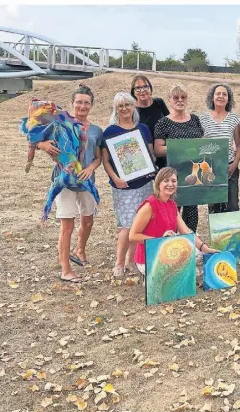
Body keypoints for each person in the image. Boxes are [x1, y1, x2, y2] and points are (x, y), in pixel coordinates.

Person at [37, 84, 103, 282]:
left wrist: (91, 168)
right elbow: (34, 138)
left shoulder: (96, 130)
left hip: (86, 181)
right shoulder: (60, 123)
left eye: (86, 103)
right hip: (64, 181)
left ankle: (80, 250)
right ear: (73, 103)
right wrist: (43, 145)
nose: (82, 106)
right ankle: (65, 269)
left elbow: (98, 157)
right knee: (67, 225)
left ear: (91, 105)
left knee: (88, 220)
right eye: (79, 102)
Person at [101, 92, 154, 278]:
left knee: (138, 224)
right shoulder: (110, 131)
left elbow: (150, 154)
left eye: (127, 105)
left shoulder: (143, 129)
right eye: (120, 106)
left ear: (133, 107)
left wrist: (150, 167)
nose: (124, 109)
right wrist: (115, 178)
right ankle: (119, 263)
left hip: (145, 183)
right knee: (125, 225)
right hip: (123, 186)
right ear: (116, 109)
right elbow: (105, 160)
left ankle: (131, 261)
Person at [129, 167, 218, 276]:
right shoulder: (149, 205)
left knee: (200, 256)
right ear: (158, 183)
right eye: (166, 181)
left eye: (173, 181)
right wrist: (161, 240)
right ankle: (151, 276)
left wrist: (204, 247)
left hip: (167, 251)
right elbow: (133, 236)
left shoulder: (172, 205)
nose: (170, 184)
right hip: (148, 257)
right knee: (191, 272)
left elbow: (185, 231)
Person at [153, 84, 204, 233]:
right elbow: (158, 149)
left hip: (193, 174)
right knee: (171, 212)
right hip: (172, 175)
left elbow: (200, 144)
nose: (180, 100)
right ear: (170, 100)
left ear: (187, 100)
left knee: (191, 212)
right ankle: (171, 247)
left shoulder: (195, 119)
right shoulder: (163, 123)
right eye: (176, 97)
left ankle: (189, 246)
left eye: (183, 97)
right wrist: (182, 147)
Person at [199, 83, 240, 213]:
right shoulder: (202, 119)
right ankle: (216, 233)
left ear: (228, 99)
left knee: (233, 206)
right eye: (218, 94)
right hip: (210, 168)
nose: (221, 96)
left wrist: (234, 164)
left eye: (224, 94)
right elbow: (199, 145)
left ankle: (232, 233)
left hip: (229, 168)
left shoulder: (234, 118)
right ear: (212, 97)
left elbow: (239, 145)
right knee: (214, 207)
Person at [130, 75, 169, 168]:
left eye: (145, 86)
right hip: (144, 158)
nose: (142, 90)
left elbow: (169, 122)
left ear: (150, 89)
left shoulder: (159, 103)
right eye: (138, 88)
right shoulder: (132, 110)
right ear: (133, 92)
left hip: (164, 153)